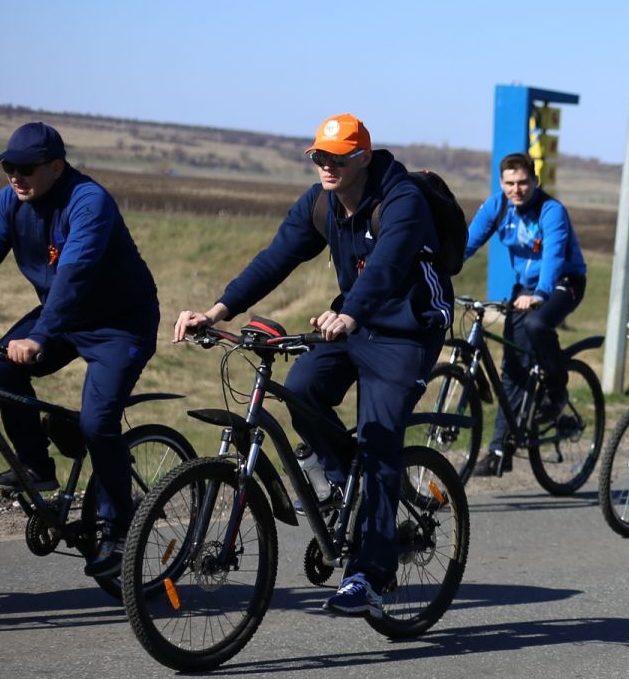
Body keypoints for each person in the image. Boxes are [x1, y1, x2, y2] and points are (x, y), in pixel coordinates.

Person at [175, 114, 451, 618]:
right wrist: (217, 311)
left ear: (363, 158)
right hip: (350, 320)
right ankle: (348, 482)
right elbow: (275, 257)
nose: (326, 165)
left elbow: (387, 265)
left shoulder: (401, 200)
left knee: (379, 436)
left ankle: (370, 574)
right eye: (319, 156)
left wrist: (349, 312)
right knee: (301, 387)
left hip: (410, 327)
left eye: (338, 157)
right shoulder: (321, 203)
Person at [0, 121, 160, 580]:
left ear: (57, 167)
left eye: (25, 168)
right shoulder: (11, 202)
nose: (15, 176)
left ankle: (119, 527)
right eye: (8, 166)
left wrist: (40, 337)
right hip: (62, 317)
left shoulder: (89, 202)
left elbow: (74, 276)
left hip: (119, 326)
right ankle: (37, 465)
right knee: (1, 366)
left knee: (98, 421)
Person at [463, 152, 589, 476]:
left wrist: (540, 295)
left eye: (522, 183)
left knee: (537, 323)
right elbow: (468, 244)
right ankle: (498, 450)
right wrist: (438, 268)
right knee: (513, 368)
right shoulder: (498, 206)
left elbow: (554, 257)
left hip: (562, 282)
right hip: (526, 289)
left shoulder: (551, 211)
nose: (516, 189)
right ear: (501, 183)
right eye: (509, 183)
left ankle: (557, 389)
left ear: (534, 181)